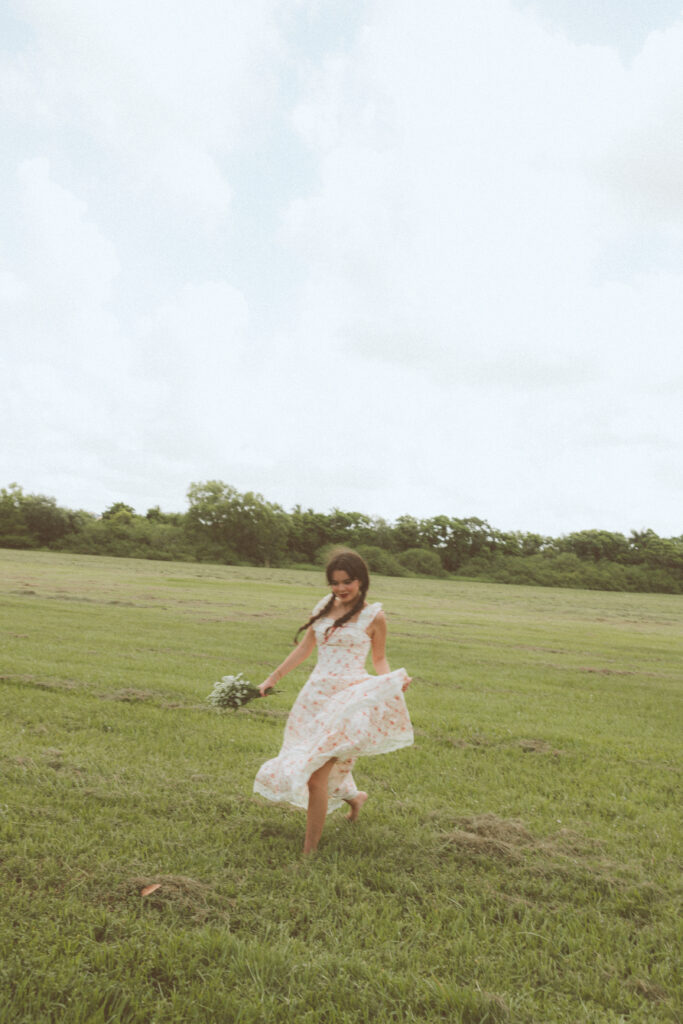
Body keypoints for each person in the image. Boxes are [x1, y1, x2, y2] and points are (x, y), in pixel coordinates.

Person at [254, 549, 413, 855]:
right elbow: (304, 649)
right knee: (309, 758)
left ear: (361, 580)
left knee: (316, 778)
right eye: (335, 582)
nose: (341, 588)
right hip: (314, 698)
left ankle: (309, 851)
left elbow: (379, 658)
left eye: (347, 581)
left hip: (348, 700)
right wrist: (271, 679)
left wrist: (390, 684)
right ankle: (355, 798)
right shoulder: (323, 608)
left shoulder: (374, 616)